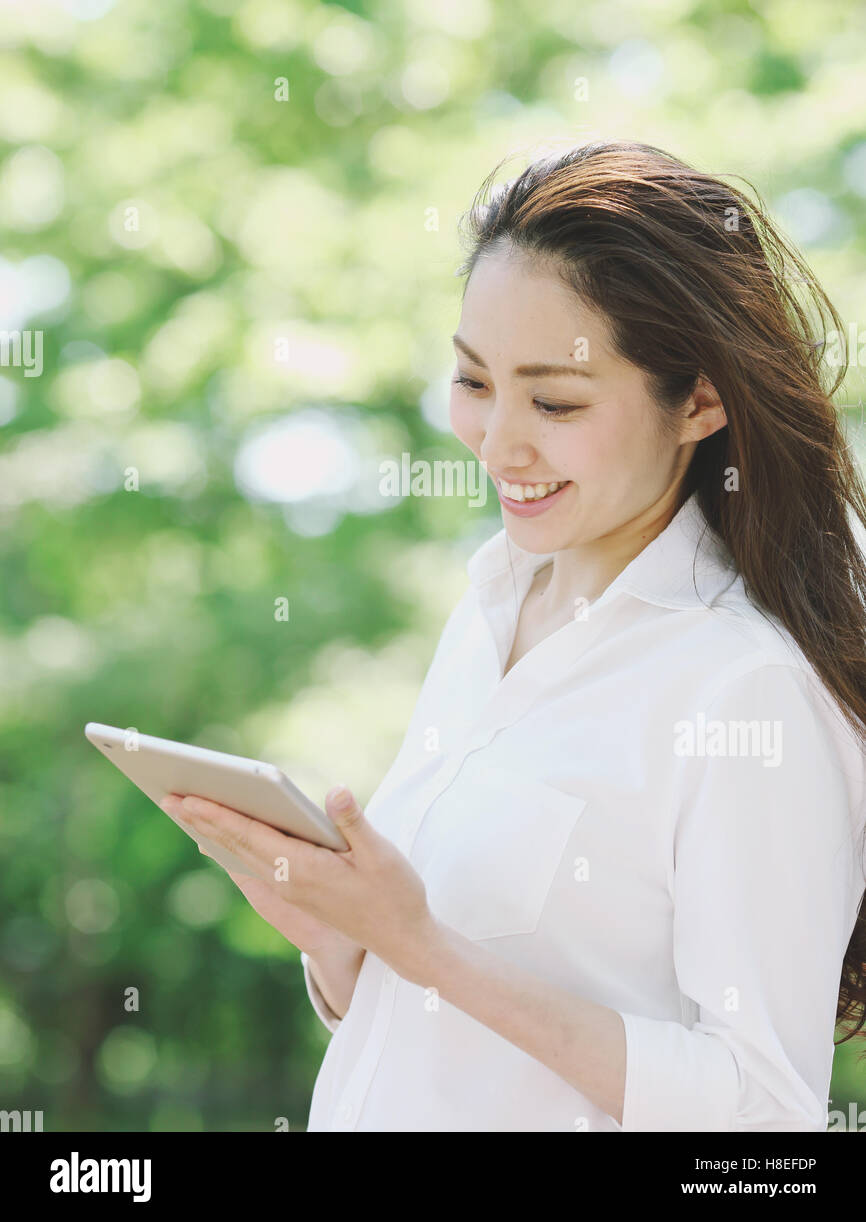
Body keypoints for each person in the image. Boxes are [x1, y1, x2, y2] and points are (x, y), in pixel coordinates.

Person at [168, 141, 866, 1131]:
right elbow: (442, 1046)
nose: (497, 445)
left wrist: (423, 948)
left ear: (699, 401)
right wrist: (340, 945)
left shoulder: (744, 689)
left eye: (554, 400)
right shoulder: (487, 609)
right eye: (471, 381)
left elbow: (761, 1116)